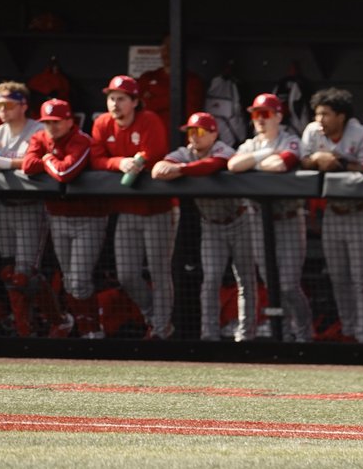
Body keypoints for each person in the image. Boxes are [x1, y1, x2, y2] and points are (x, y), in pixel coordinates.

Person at [152, 112, 255, 342]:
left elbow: (212, 165)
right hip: (211, 224)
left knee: (245, 279)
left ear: (213, 134)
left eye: (198, 131)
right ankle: (209, 334)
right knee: (210, 280)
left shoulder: (222, 148)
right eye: (190, 131)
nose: (193, 136)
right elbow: (158, 169)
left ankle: (247, 334)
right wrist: (173, 166)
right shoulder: (185, 153)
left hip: (239, 221)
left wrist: (181, 170)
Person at [90, 74, 178, 339]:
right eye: (111, 98)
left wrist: (137, 161)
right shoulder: (102, 123)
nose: (115, 104)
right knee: (127, 274)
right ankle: (153, 317)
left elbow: (154, 152)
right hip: (126, 210)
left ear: (135, 102)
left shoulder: (149, 120)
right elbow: (96, 158)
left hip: (158, 210)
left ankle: (162, 330)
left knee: (159, 271)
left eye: (121, 99)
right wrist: (119, 162)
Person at [0, 81, 63, 337]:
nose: (3, 110)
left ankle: (56, 320)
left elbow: (37, 162)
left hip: (31, 207)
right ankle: (24, 326)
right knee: (9, 272)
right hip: (3, 207)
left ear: (23, 105)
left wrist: (0, 162)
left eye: (9, 105)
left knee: (25, 274)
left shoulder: (38, 130)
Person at [228, 92, 313, 342]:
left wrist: (254, 163)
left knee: (288, 283)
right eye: (255, 114)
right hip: (258, 219)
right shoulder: (250, 144)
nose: (260, 120)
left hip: (288, 218)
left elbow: (280, 164)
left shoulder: (291, 140)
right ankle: (283, 332)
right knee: (270, 281)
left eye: (265, 114)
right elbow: (233, 165)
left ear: (278, 116)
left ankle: (304, 332)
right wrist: (264, 153)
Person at [20, 98, 107, 338]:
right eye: (47, 122)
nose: (52, 127)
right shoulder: (40, 137)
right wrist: (49, 160)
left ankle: (94, 330)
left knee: (78, 280)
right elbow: (27, 165)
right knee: (69, 281)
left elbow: (65, 172)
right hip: (57, 217)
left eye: (57, 122)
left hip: (88, 218)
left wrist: (46, 159)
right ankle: (83, 327)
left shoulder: (81, 140)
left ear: (70, 121)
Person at [301, 87, 363, 344]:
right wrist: (317, 158)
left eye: (326, 114)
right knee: (337, 276)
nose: (320, 119)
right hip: (333, 212)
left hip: (360, 211)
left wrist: (339, 163)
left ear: (341, 116)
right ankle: (348, 329)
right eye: (317, 114)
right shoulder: (312, 132)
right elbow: (302, 161)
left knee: (361, 277)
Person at [137, 35, 206, 134]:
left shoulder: (192, 80)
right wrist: (175, 98)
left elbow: (190, 112)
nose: (167, 52)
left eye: (171, 47)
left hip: (180, 137)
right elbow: (139, 108)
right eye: (164, 47)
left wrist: (154, 99)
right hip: (150, 135)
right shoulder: (147, 77)